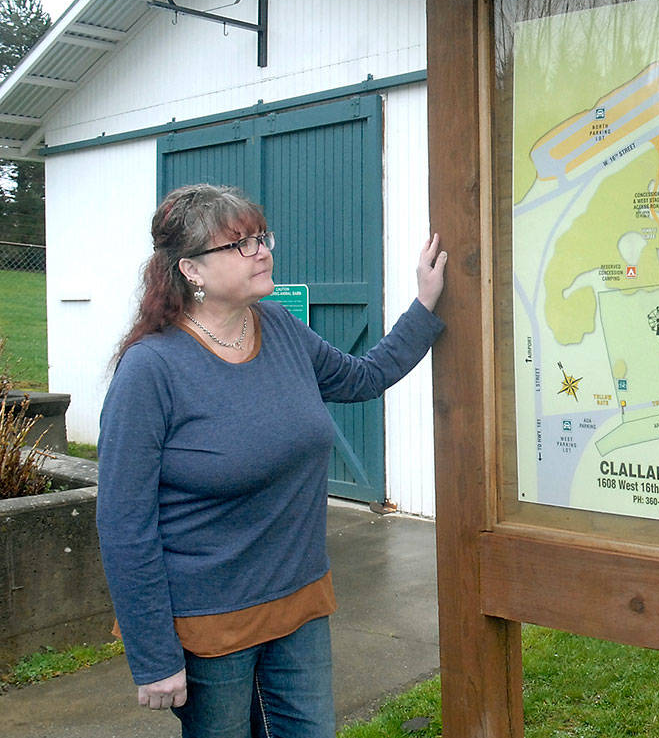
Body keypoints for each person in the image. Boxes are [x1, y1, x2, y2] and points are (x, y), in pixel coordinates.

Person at [96, 183, 446, 737]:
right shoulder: (151, 370)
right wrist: (154, 655)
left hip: (299, 603)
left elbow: (363, 377)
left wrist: (424, 305)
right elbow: (123, 523)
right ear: (192, 269)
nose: (262, 250)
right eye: (240, 244)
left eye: (261, 237)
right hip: (209, 626)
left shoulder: (279, 328)